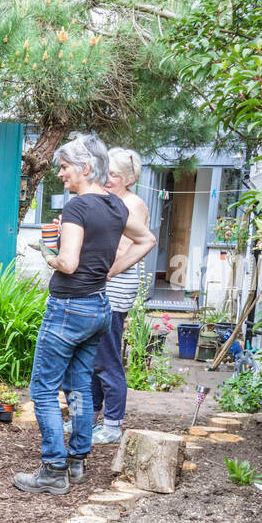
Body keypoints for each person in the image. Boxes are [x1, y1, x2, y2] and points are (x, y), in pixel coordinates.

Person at [13, 135, 156, 494]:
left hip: (67, 309)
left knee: (43, 391)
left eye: (64, 167)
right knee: (78, 387)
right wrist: (110, 271)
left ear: (86, 167)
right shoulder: (116, 206)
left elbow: (68, 262)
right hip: (98, 307)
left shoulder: (78, 207)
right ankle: (76, 460)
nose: (60, 174)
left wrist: (48, 253)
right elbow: (147, 240)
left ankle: (53, 469)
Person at [71, 147, 151, 445]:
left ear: (128, 178)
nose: (108, 180)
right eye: (107, 173)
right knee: (90, 357)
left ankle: (113, 425)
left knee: (106, 358)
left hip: (114, 287)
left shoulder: (133, 204)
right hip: (97, 282)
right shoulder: (108, 200)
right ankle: (87, 419)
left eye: (115, 175)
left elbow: (121, 248)